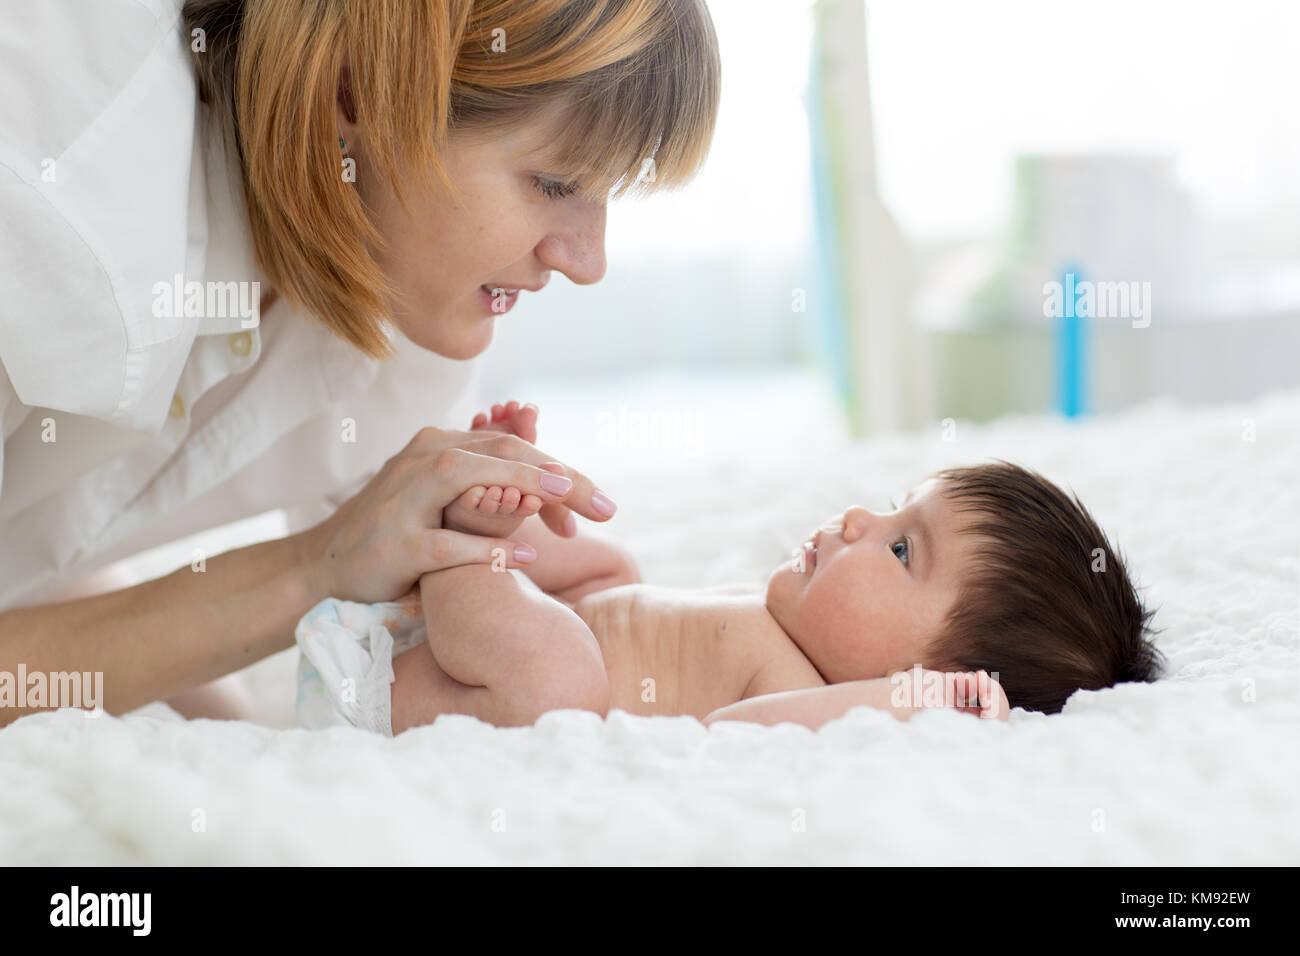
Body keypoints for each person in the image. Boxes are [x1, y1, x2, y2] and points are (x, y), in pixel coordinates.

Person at [0, 0, 720, 725]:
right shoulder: (50, 206)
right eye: (556, 185)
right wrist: (314, 570)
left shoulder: (402, 291)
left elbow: (30, 562)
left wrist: (232, 736)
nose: (588, 263)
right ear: (358, 94)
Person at [293, 460, 1165, 735]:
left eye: (902, 547)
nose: (861, 516)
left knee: (561, 681)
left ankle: (462, 549)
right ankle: (498, 519)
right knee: (612, 569)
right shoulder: (776, 615)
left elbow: (737, 737)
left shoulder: (808, 696)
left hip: (404, 697)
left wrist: (898, 702)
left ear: (932, 672)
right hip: (407, 636)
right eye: (895, 505)